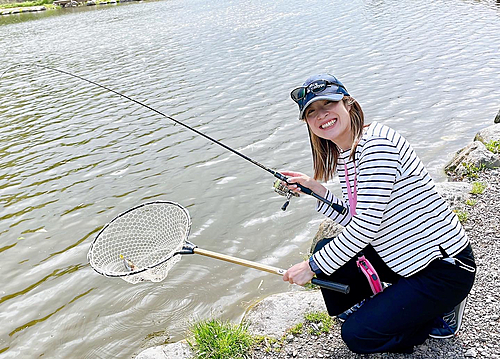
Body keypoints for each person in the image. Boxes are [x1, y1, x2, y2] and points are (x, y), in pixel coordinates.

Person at [281, 74, 476, 354]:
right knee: (327, 251)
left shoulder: (376, 145)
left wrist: (311, 266)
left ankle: (436, 314)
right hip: (409, 256)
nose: (322, 115)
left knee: (357, 336)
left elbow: (364, 228)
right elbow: (358, 219)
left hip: (444, 269)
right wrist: (316, 190)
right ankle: (389, 309)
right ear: (308, 123)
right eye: (312, 112)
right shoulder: (348, 151)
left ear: (348, 104)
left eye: (328, 104)